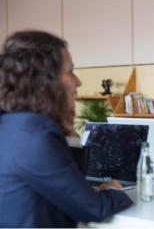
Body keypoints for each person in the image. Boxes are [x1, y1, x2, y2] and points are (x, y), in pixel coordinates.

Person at [0, 30, 132, 227]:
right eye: (70, 71)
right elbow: (95, 209)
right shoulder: (36, 134)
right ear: (46, 80)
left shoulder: (13, 125)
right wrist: (113, 191)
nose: (78, 81)